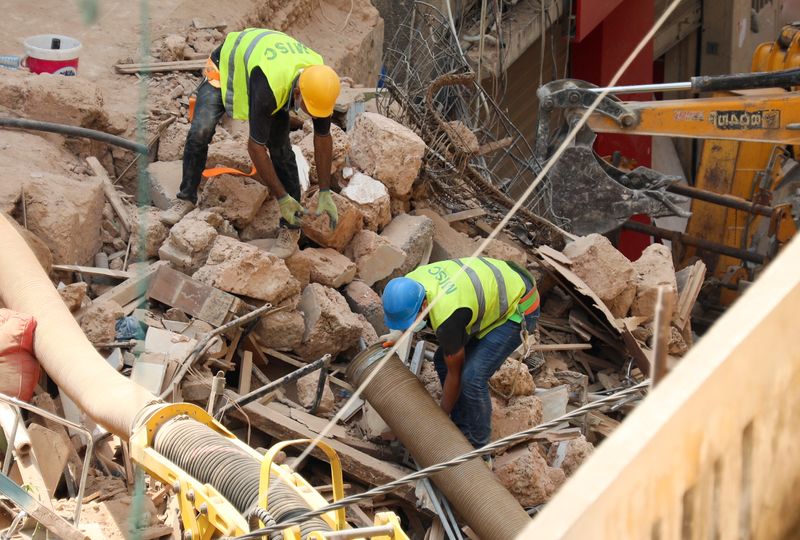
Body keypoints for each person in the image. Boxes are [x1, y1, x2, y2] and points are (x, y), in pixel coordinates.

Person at [161, 28, 341, 258]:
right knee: (201, 130)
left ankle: (291, 227)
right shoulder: (270, 88)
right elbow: (255, 147)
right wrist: (282, 197)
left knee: (281, 150)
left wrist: (325, 191)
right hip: (226, 68)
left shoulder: (320, 82)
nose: (314, 115)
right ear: (298, 93)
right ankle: (186, 198)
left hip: (267, 71)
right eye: (310, 109)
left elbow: (323, 137)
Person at [381, 257, 540, 448]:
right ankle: (459, 427)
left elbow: (455, 376)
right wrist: (398, 334)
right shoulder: (412, 283)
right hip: (500, 281)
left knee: (472, 378)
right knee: (442, 360)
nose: (409, 328)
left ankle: (478, 449)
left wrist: (439, 420)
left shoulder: (447, 317)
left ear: (424, 306)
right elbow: (407, 314)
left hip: (520, 305)